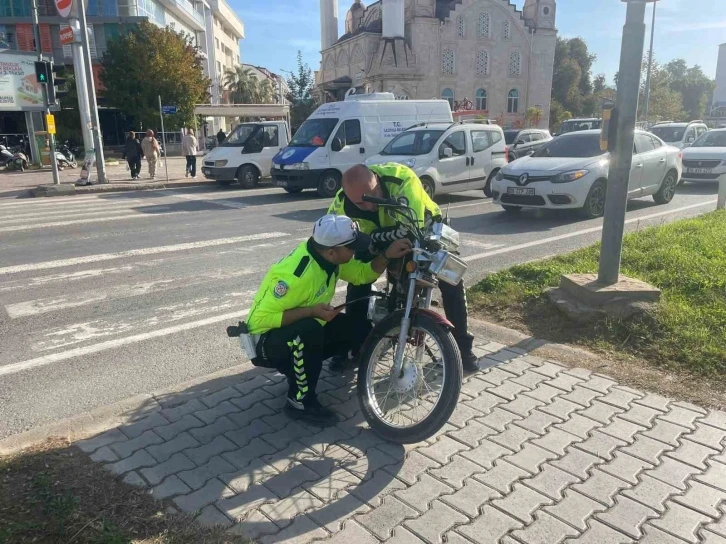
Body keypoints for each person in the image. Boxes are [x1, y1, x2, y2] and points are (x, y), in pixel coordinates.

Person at [246, 214, 412, 424]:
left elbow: (362, 274)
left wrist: (387, 255)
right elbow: (257, 322)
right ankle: (299, 402)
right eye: (351, 248)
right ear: (333, 251)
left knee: (360, 329)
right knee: (309, 331)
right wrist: (312, 312)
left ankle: (302, 368)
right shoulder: (296, 276)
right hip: (266, 343)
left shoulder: (328, 257)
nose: (355, 251)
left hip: (299, 327)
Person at [329, 163, 479, 372]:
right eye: (360, 204)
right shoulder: (341, 201)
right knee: (358, 281)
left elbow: (410, 231)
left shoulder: (402, 180)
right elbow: (332, 238)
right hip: (381, 240)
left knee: (450, 274)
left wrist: (371, 240)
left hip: (422, 230)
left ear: (376, 180)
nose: (370, 206)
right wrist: (373, 249)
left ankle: (463, 348)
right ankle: (356, 345)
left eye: (373, 195)